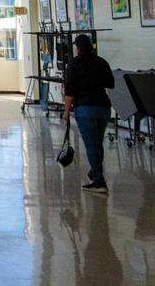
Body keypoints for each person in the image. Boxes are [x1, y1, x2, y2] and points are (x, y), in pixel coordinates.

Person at [62, 34, 115, 194]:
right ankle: (94, 171)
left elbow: (69, 90)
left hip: (84, 107)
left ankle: (99, 181)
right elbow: (111, 83)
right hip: (103, 106)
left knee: (91, 145)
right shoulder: (101, 62)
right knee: (97, 143)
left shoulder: (74, 64)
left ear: (77, 47)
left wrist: (66, 111)